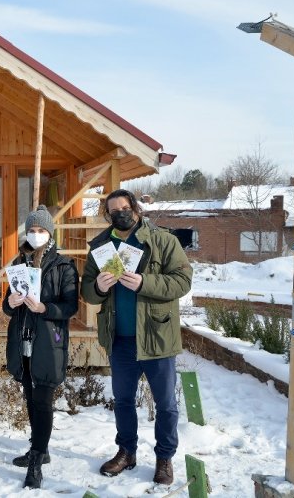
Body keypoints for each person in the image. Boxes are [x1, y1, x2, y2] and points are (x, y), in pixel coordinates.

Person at [81, 189, 192, 486]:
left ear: (136, 208)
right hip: (120, 339)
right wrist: (100, 287)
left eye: (125, 207)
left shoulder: (163, 240)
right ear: (108, 214)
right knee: (124, 401)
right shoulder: (101, 245)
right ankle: (126, 452)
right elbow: (87, 291)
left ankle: (164, 458)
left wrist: (146, 282)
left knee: (166, 404)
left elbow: (183, 281)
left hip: (156, 336)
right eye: (114, 210)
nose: (120, 213)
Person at [3, 205, 80, 489]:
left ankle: (36, 461)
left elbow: (71, 306)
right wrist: (9, 304)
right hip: (23, 341)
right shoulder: (18, 263)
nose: (36, 235)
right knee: (30, 398)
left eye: (41, 230)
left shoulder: (63, 266)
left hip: (48, 341)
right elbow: (8, 304)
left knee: (43, 401)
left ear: (50, 233)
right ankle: (40, 448)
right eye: (32, 230)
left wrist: (45, 307)